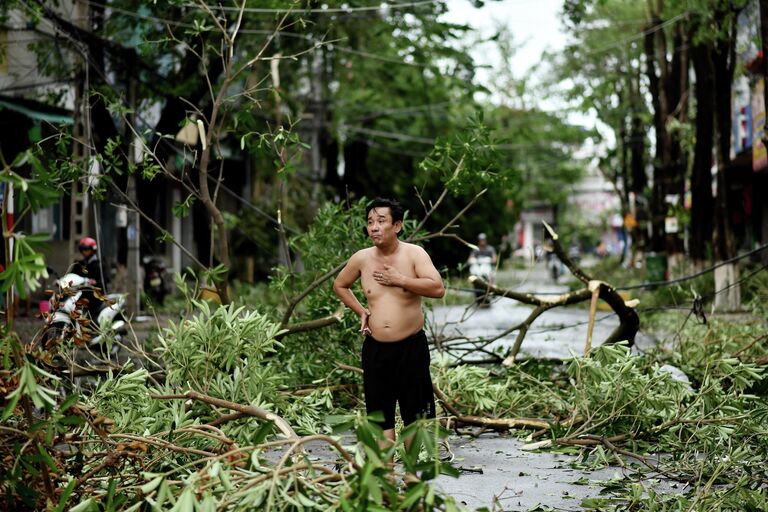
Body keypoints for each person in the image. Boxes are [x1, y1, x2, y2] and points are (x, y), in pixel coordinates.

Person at [333, 197, 445, 448]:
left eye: (381, 221)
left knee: (415, 416)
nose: (374, 227)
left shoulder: (414, 254)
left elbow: (438, 288)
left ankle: (412, 475)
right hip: (376, 349)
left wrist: (400, 279)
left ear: (397, 226)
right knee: (379, 416)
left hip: (411, 348)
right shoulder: (361, 259)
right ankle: (386, 478)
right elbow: (340, 285)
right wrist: (360, 310)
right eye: (370, 222)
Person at [72, 236, 109, 320]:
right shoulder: (79, 264)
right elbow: (71, 275)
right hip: (81, 295)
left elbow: (105, 279)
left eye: (86, 249)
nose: (84, 252)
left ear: (92, 250)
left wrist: (95, 282)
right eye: (83, 250)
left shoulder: (99, 264)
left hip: (95, 298)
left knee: (91, 317)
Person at [467, 233, 497, 306]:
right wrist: (472, 260)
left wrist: (490, 260)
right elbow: (470, 258)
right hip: (478, 269)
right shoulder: (476, 249)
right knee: (473, 273)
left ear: (485, 240)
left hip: (487, 268)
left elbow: (494, 258)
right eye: (481, 240)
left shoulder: (490, 249)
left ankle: (492, 288)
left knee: (491, 275)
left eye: (483, 240)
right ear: (479, 241)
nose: (482, 242)